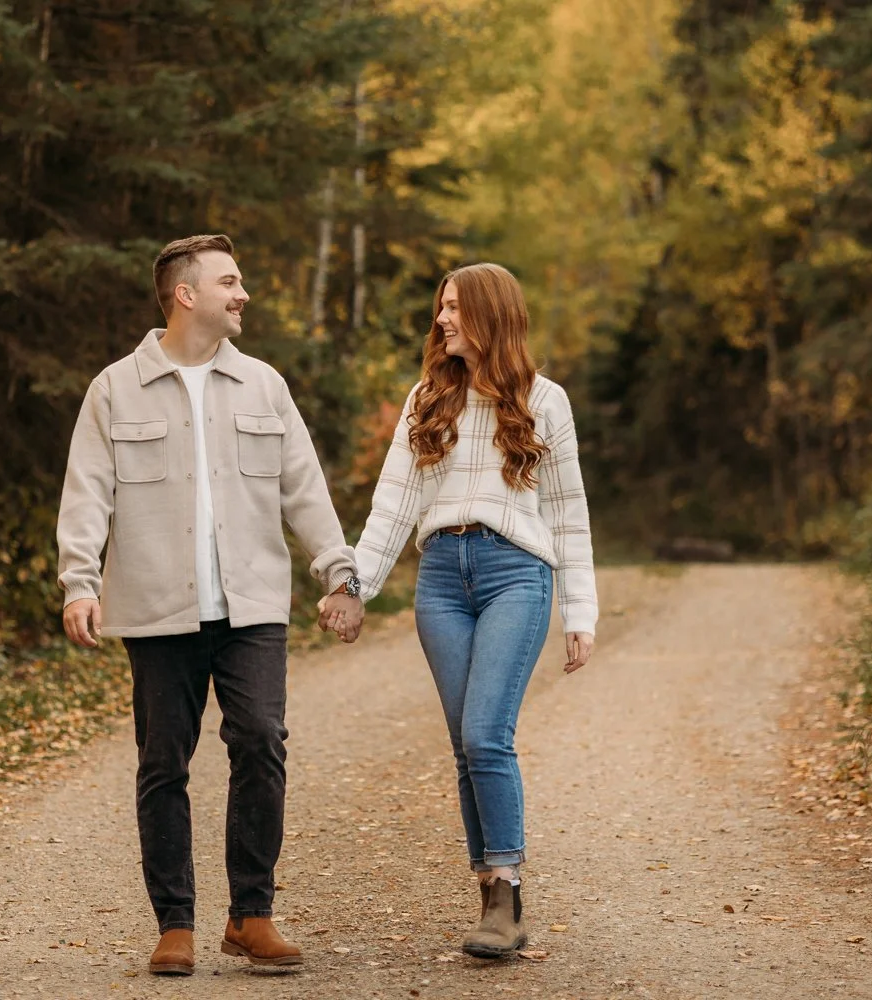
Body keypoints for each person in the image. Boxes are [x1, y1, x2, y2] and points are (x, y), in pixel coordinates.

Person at [57, 234, 364, 976]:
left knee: (260, 741)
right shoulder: (114, 389)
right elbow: (88, 492)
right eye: (231, 281)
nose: (244, 293)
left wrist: (339, 573)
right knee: (164, 762)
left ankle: (250, 915)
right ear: (185, 294)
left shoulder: (264, 386)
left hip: (252, 604)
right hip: (158, 610)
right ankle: (175, 925)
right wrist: (79, 582)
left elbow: (304, 489)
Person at [320, 262, 597, 958]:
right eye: (440, 308)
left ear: (492, 314)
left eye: (455, 308)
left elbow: (568, 513)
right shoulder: (427, 399)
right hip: (441, 580)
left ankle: (506, 890)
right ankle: (490, 899)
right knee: (463, 746)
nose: (442, 319)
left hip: (514, 574)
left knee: (484, 734)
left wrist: (579, 612)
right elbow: (392, 506)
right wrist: (354, 587)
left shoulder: (545, 401)